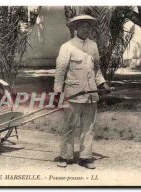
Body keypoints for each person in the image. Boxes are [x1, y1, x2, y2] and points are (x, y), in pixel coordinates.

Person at [53, 14, 110, 169]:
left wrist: (102, 83)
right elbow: (60, 72)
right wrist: (57, 93)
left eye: (88, 26)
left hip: (91, 94)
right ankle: (65, 156)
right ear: (76, 28)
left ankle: (85, 157)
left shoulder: (93, 46)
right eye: (83, 26)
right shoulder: (67, 47)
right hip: (73, 94)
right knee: (69, 126)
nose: (86, 29)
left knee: (88, 127)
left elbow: (96, 69)